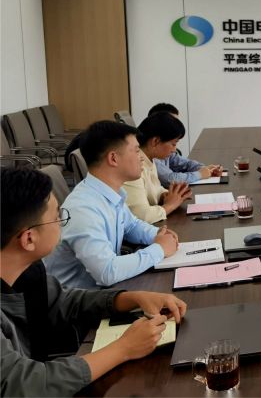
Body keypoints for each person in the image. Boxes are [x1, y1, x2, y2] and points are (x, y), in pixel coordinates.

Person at [1, 168, 187, 397]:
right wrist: (124, 349)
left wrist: (131, 298)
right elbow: (21, 384)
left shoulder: (27, 271)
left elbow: (64, 301)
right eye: (57, 217)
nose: (62, 222)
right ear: (29, 238)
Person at [44, 121, 179, 289]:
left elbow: (131, 226)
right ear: (113, 158)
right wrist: (159, 249)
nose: (141, 157)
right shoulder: (83, 209)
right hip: (80, 300)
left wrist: (158, 234)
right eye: (137, 151)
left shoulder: (110, 192)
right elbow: (107, 272)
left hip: (104, 292)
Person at [124, 112, 193, 224]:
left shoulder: (150, 159)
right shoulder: (134, 165)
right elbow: (142, 216)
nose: (174, 150)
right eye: (173, 144)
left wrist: (168, 195)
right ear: (155, 141)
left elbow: (155, 189)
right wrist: (170, 205)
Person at [147, 103, 221, 186]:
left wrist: (204, 169)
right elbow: (170, 179)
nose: (177, 126)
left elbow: (186, 164)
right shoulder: (152, 156)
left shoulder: (165, 150)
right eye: (173, 123)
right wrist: (200, 174)